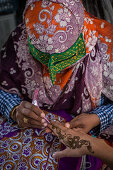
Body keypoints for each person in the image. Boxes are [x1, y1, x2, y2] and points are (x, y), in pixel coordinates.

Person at [0, 0, 113, 169]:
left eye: (65, 62)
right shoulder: (19, 42)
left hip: (88, 136)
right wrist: (15, 109)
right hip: (31, 131)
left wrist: (97, 117)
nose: (52, 75)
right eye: (42, 60)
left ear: (82, 39)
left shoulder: (106, 47)